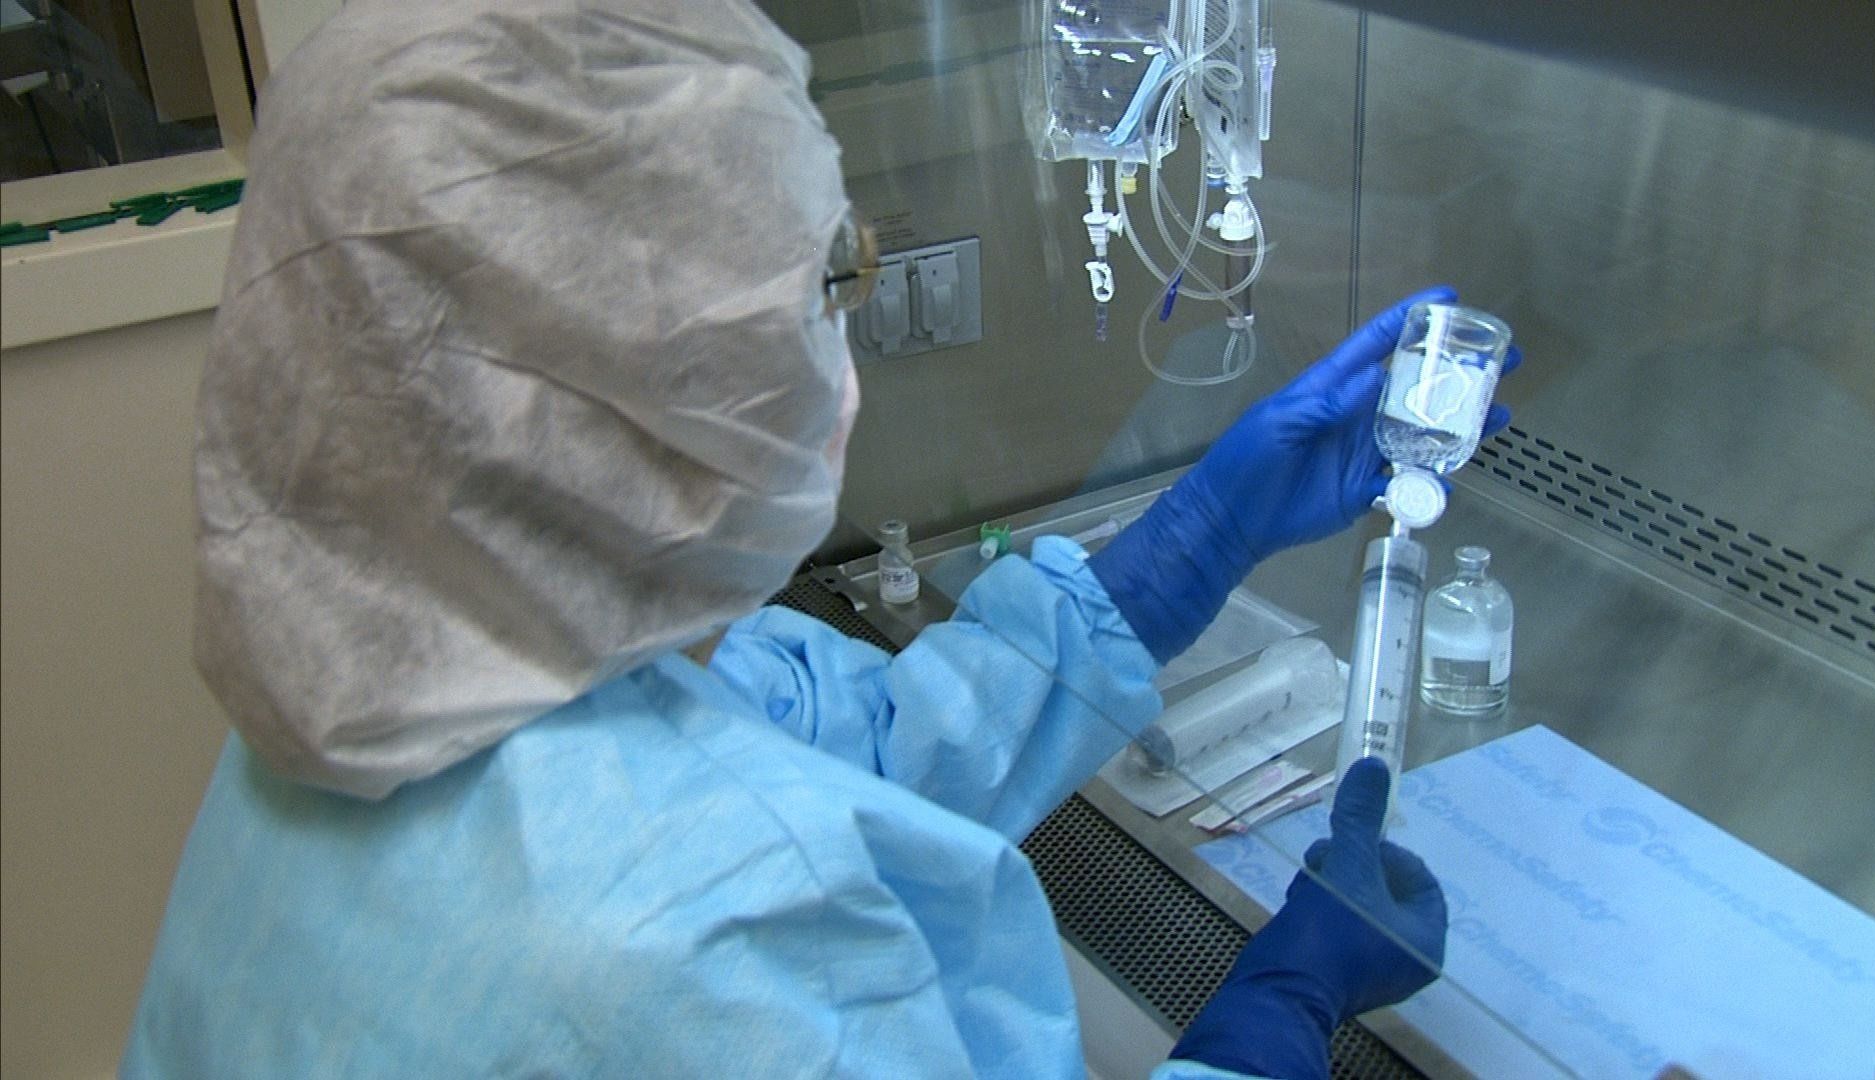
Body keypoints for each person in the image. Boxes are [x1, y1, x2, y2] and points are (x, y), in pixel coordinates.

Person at [123, 2, 1517, 1076]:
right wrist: (1280, 1010)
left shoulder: (375, 708)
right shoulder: (715, 940)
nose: (831, 351)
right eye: (812, 288)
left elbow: (839, 745)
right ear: (628, 391)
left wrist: (1197, 541)